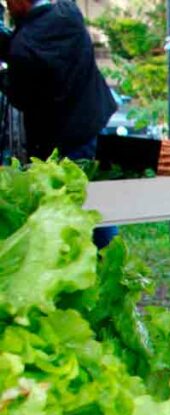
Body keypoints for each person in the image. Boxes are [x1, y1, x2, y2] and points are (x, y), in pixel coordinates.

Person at [0, 0, 118, 246]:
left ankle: (96, 258)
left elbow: (19, 96)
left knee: (74, 206)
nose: (8, 7)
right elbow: (34, 40)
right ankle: (108, 255)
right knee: (97, 202)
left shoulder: (23, 48)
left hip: (62, 138)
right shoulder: (69, 14)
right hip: (94, 123)